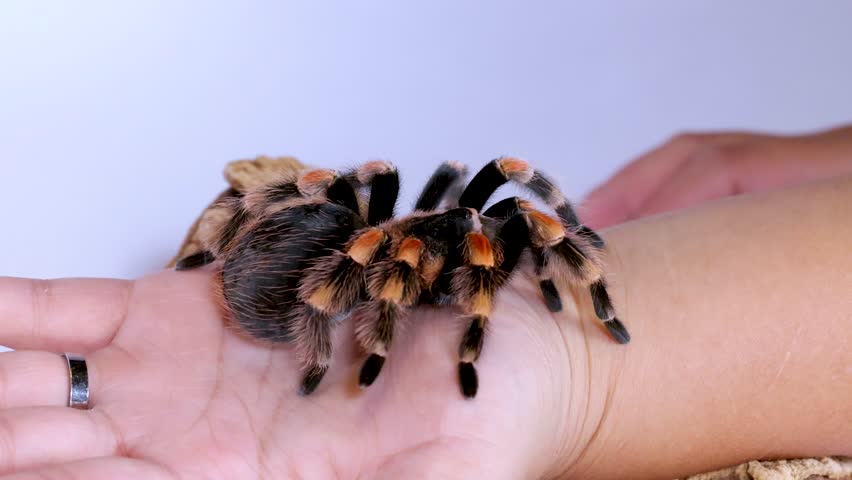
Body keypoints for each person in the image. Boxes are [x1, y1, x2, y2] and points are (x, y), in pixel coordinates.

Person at [0, 126, 850, 479]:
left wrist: (552, 353)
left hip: (336, 270)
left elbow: (469, 204)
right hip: (302, 291)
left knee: (478, 204)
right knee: (405, 212)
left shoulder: (450, 233)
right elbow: (376, 211)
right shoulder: (404, 238)